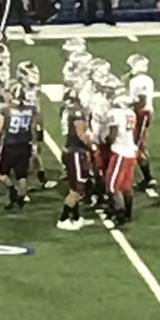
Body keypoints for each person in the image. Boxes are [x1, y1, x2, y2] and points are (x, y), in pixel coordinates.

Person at [0, 80, 37, 210]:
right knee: (22, 175)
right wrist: (34, 142)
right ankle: (21, 197)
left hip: (9, 144)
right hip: (25, 143)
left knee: (2, 173)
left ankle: (13, 192)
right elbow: (33, 127)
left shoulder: (5, 109)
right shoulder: (31, 109)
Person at [58, 84, 94, 230]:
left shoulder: (67, 110)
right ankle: (64, 218)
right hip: (76, 152)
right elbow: (81, 133)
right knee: (77, 188)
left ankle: (77, 217)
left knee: (77, 186)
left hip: (71, 150)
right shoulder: (77, 112)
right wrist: (92, 146)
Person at [105, 90, 138, 226]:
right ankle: (128, 213)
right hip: (130, 151)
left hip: (120, 152)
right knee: (126, 185)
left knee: (112, 186)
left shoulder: (115, 113)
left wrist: (106, 140)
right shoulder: (131, 113)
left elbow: (113, 134)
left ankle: (120, 214)